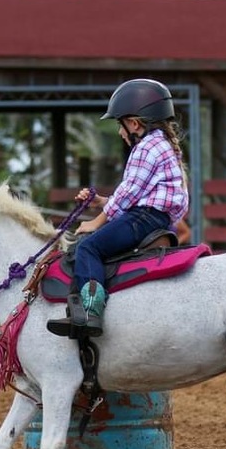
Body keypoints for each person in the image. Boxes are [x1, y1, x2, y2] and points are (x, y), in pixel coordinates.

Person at [47, 79, 189, 338]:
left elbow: (130, 192)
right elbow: (135, 192)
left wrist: (97, 221)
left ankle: (90, 312)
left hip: (143, 218)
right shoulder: (161, 144)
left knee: (89, 246)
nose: (120, 132)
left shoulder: (145, 147)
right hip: (154, 218)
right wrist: (103, 202)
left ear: (134, 123)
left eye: (119, 124)